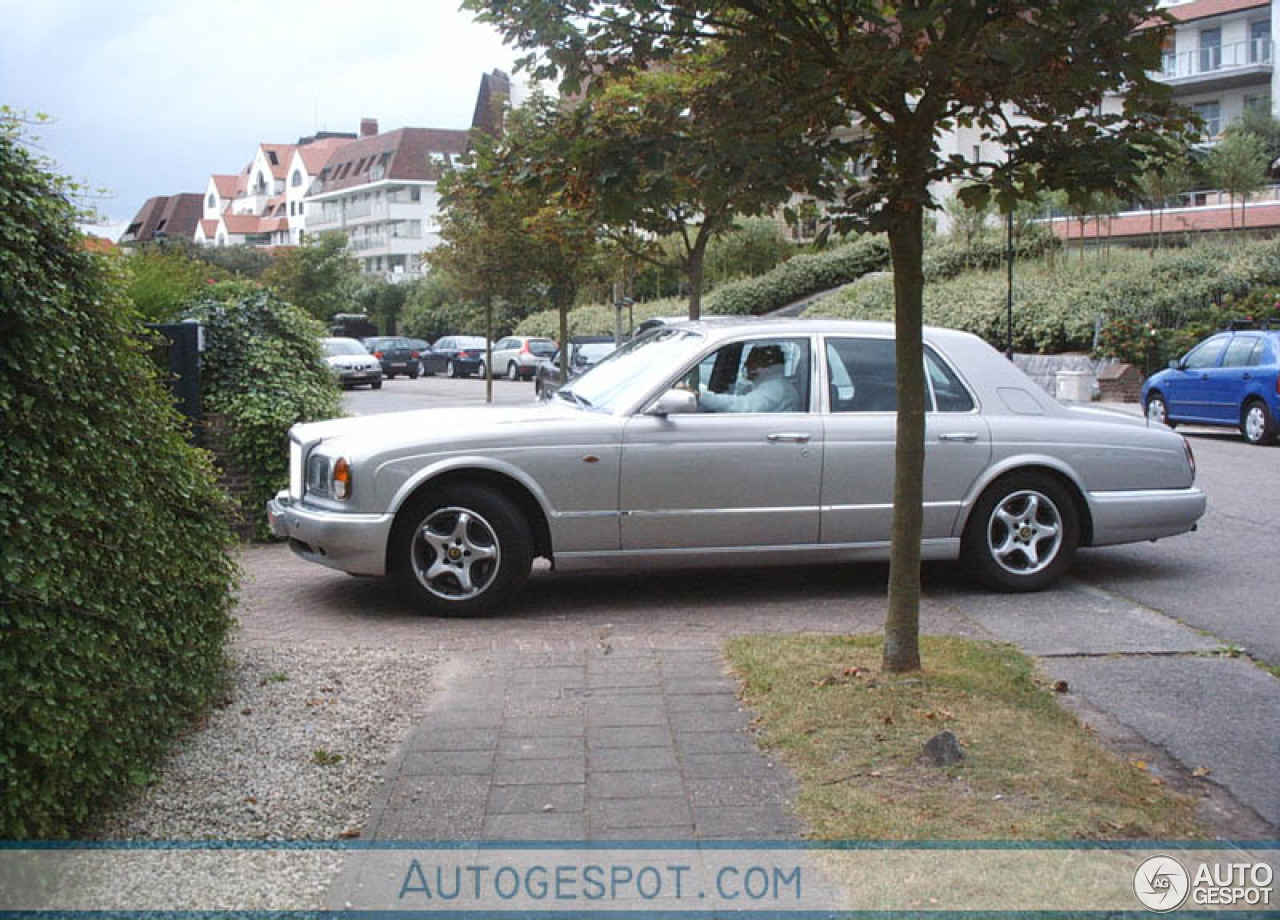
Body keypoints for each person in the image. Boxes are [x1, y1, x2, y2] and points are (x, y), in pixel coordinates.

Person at [698, 343, 801, 413]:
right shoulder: (767, 384)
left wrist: (701, 396)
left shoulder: (775, 388)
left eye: (753, 360)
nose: (747, 365)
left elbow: (744, 406)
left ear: (766, 365)